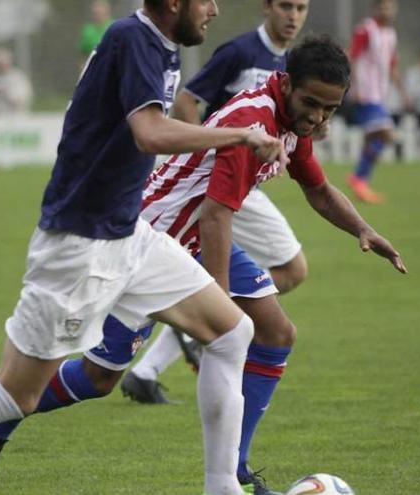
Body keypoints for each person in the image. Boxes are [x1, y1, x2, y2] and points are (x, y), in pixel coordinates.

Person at [0, 2, 289, 494]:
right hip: (79, 245)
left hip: (128, 235)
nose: (216, 9)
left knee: (231, 331)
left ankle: (222, 488)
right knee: (14, 394)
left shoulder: (162, 47)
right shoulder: (132, 39)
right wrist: (239, 135)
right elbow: (149, 133)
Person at [0, 35, 406, 495]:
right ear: (287, 83)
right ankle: (0, 420)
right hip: (149, 241)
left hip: (195, 239)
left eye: (329, 110)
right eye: (312, 103)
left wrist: (362, 229)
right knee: (99, 378)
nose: (318, 117)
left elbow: (316, 188)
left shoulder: (293, 121)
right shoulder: (252, 121)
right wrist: (215, 306)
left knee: (277, 332)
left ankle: (234, 470)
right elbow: (217, 215)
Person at [123, 0, 312, 408]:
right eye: (286, 6)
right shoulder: (240, 52)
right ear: (266, 8)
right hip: (213, 182)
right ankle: (192, 318)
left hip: (241, 184)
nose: (293, 16)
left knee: (290, 272)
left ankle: (158, 356)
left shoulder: (298, 67)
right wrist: (202, 158)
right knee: (256, 288)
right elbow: (187, 102)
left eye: (302, 7)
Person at [345, 0, 409, 204]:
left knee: (378, 138)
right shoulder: (365, 30)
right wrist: (354, 85)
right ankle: (359, 178)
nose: (387, 11)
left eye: (391, 7)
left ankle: (359, 180)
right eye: (383, 6)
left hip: (380, 95)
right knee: (387, 134)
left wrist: (404, 93)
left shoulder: (391, 35)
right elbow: (352, 57)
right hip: (365, 93)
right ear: (375, 9)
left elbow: (392, 66)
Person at [79, 0, 114, 64]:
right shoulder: (88, 30)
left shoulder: (115, 27)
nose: (97, 13)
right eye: (96, 12)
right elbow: (83, 55)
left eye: (100, 11)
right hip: (93, 69)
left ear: (107, 11)